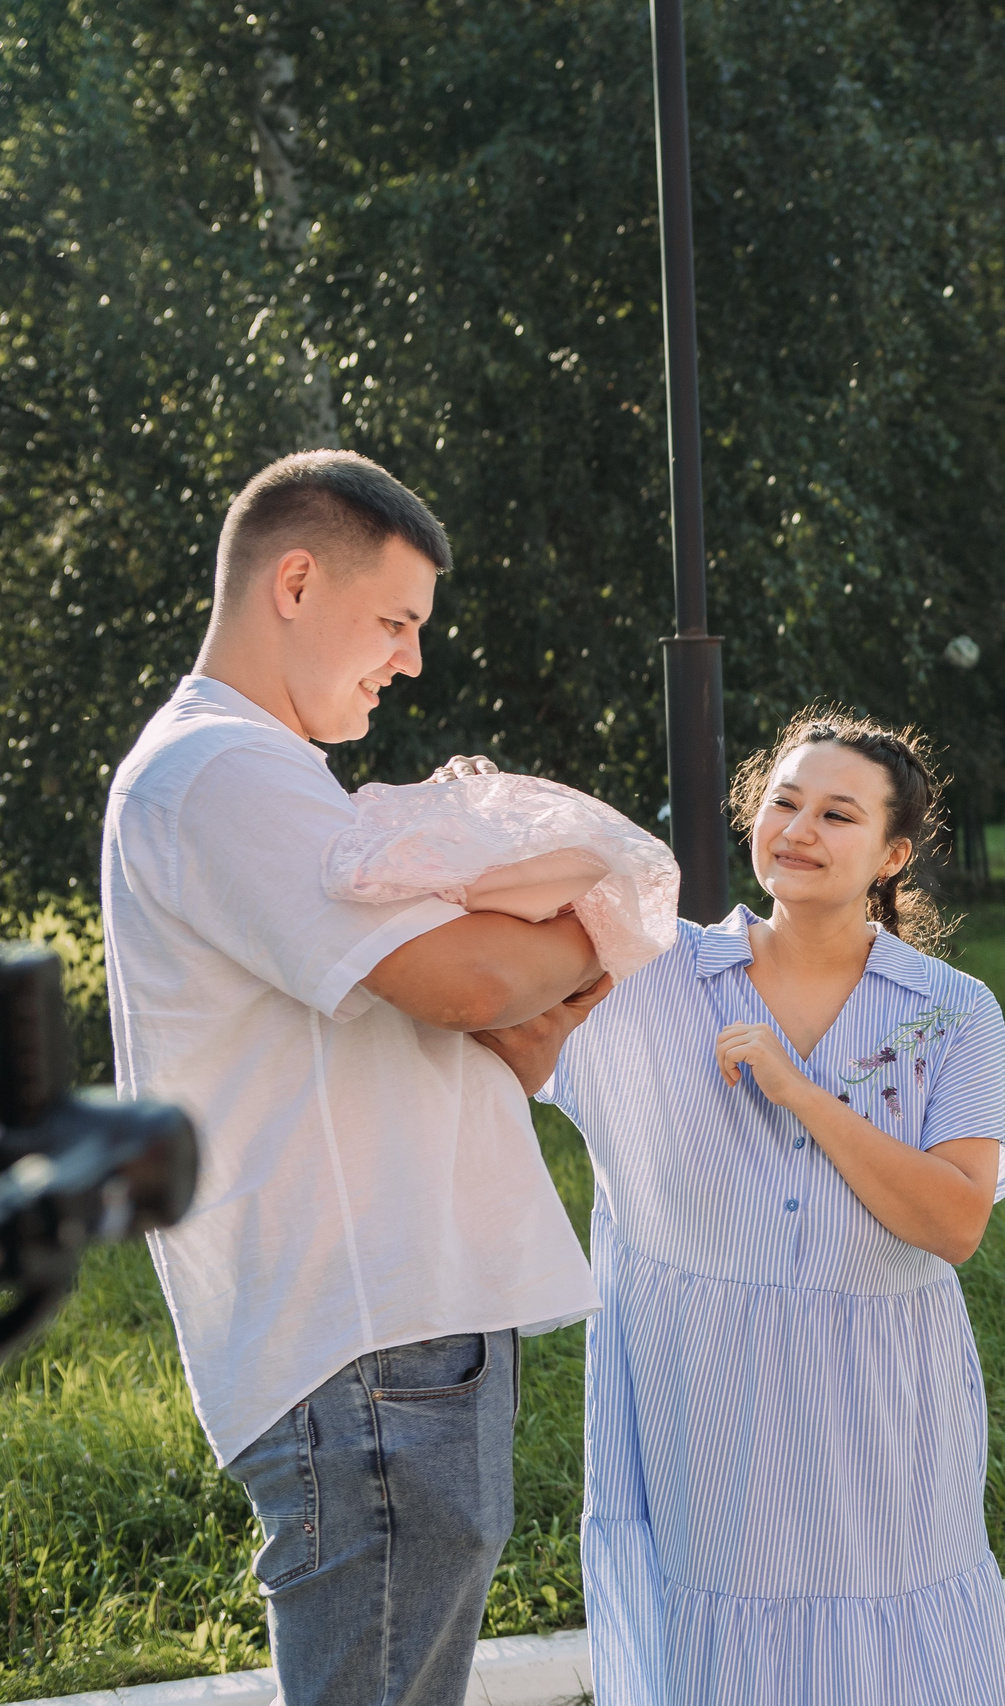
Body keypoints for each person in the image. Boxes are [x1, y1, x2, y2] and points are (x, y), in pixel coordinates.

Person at [101, 450, 607, 1706]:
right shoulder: (222, 771)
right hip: (366, 1335)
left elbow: (452, 999)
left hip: (388, 1329)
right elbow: (463, 983)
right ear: (293, 580)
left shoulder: (261, 771)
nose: (412, 658)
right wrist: (606, 912)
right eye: (395, 620)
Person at [488, 707, 1005, 1705]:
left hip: (884, 1401)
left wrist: (799, 1090)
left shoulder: (948, 1007)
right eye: (783, 801)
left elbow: (955, 1220)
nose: (801, 828)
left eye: (839, 813)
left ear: (892, 852)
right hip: (707, 1395)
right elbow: (516, 1039)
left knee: (895, 1632)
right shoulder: (651, 971)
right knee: (722, 1641)